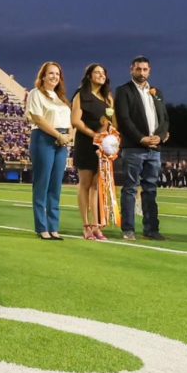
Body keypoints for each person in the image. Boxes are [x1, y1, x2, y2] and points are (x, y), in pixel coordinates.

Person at [113, 56, 170, 241]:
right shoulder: (123, 91)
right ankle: (128, 229)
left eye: (145, 69)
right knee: (130, 188)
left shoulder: (157, 92)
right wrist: (141, 138)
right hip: (134, 148)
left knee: (151, 189)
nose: (142, 73)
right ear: (131, 70)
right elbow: (124, 119)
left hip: (154, 149)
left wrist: (159, 137)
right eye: (138, 69)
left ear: (150, 70)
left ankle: (151, 229)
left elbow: (165, 119)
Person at [26, 62, 73, 240]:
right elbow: (38, 118)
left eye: (57, 74)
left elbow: (69, 123)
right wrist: (58, 136)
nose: (54, 76)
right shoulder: (36, 93)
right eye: (50, 73)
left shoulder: (61, 98)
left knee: (56, 186)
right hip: (44, 138)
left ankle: (54, 226)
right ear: (43, 76)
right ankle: (41, 227)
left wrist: (68, 136)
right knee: (42, 184)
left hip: (62, 141)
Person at [70, 64, 113, 241]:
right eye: (97, 72)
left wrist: (109, 136)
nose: (101, 75)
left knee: (97, 186)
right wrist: (94, 135)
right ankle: (86, 225)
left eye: (103, 72)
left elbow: (111, 122)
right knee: (85, 184)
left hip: (102, 147)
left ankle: (96, 225)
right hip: (85, 143)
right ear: (89, 76)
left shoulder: (108, 98)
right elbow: (75, 121)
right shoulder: (81, 95)